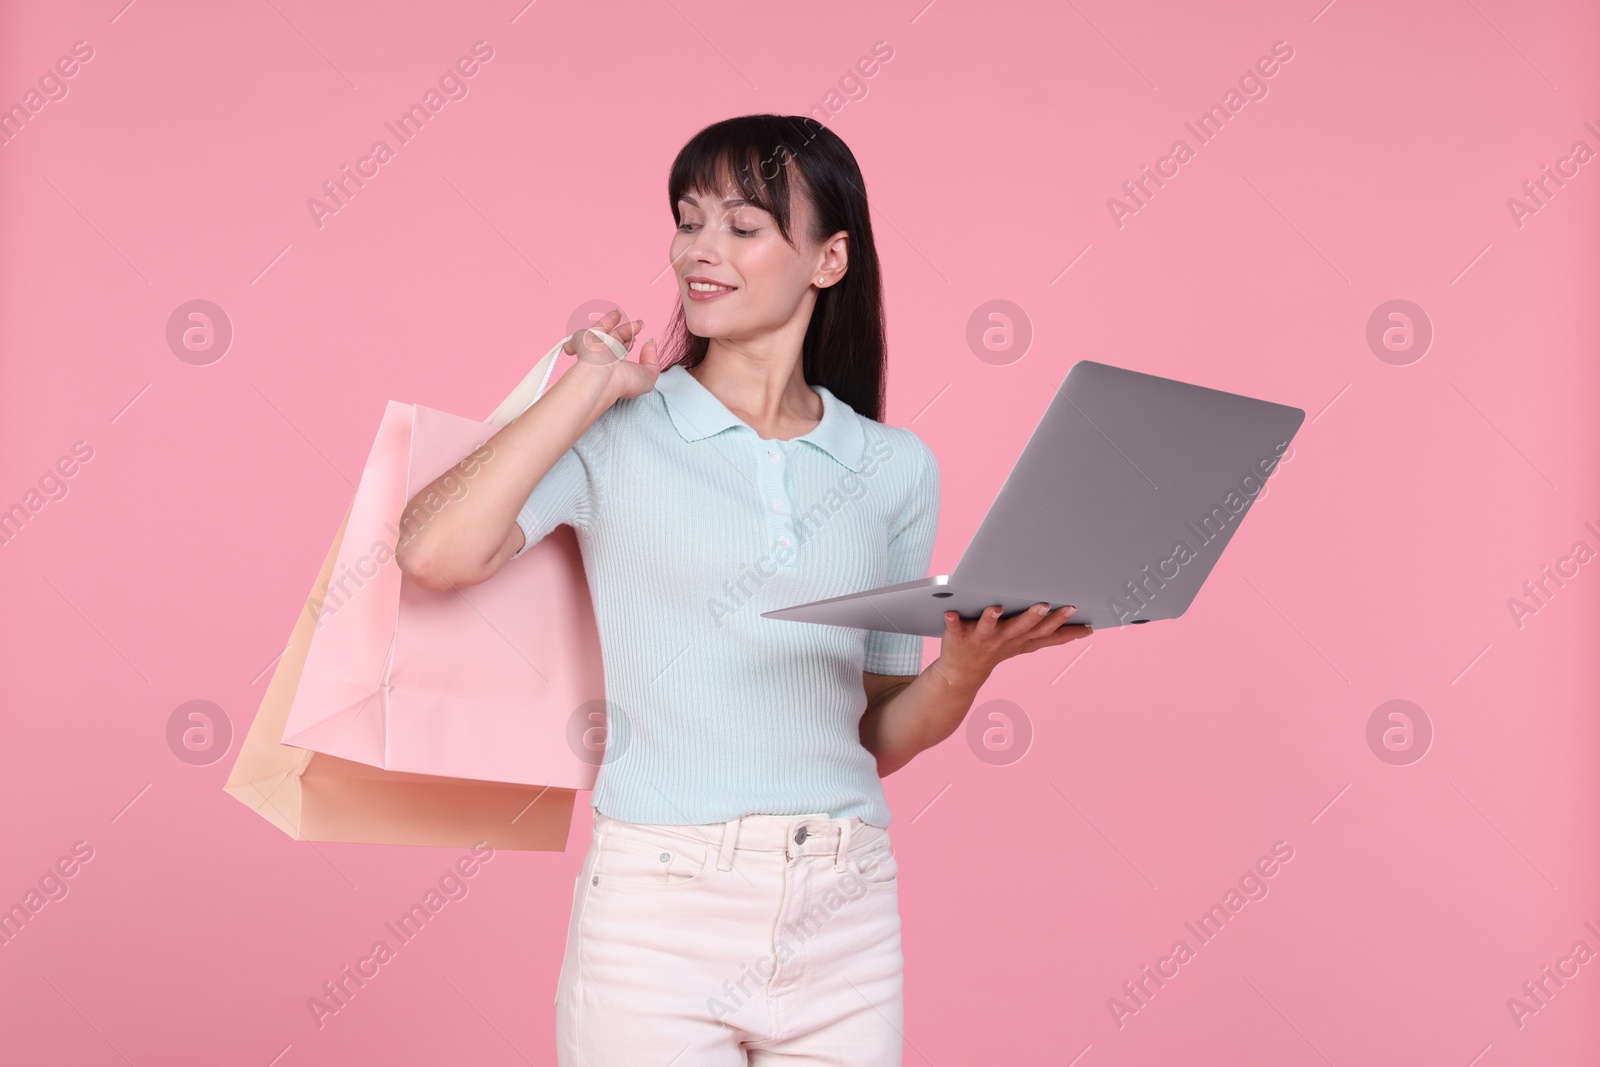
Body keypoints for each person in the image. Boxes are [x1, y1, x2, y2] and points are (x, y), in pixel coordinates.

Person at [395, 114, 1090, 1066]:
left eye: (743, 226)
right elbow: (434, 552)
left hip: (844, 906)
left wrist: (965, 669)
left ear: (829, 259)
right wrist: (583, 389)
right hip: (658, 905)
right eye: (688, 221)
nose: (700, 252)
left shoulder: (893, 468)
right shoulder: (616, 431)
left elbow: (874, 732)